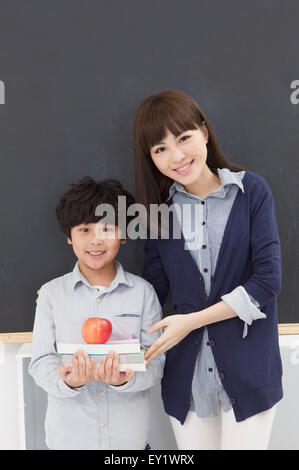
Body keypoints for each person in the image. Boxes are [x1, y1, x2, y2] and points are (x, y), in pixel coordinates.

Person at [133, 90, 283, 450]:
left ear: (204, 131)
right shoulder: (158, 216)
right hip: (186, 379)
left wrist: (191, 320)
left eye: (183, 138)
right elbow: (150, 292)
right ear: (151, 158)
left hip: (249, 374)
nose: (177, 156)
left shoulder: (251, 192)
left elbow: (267, 281)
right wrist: (88, 291)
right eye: (160, 149)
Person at [29, 177, 165, 450]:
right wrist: (68, 381)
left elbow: (157, 360)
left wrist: (125, 379)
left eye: (107, 228)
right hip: (69, 441)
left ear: (124, 233)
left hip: (129, 444)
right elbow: (40, 361)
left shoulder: (143, 293)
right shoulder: (52, 294)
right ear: (69, 236)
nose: (96, 240)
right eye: (84, 230)